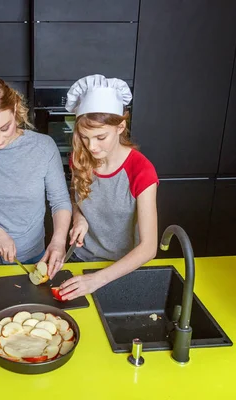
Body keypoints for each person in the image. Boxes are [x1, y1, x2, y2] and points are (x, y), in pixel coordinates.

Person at [55, 74, 159, 301]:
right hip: (79, 260)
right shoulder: (79, 158)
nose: (91, 146)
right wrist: (78, 217)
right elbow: (76, 197)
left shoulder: (141, 170)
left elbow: (149, 247)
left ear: (120, 126)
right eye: (84, 137)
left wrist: (97, 279)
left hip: (119, 269)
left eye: (101, 137)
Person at [0, 76, 72, 274]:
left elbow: (60, 200)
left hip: (33, 255)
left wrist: (59, 242)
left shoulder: (43, 147)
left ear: (16, 110)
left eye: (4, 128)